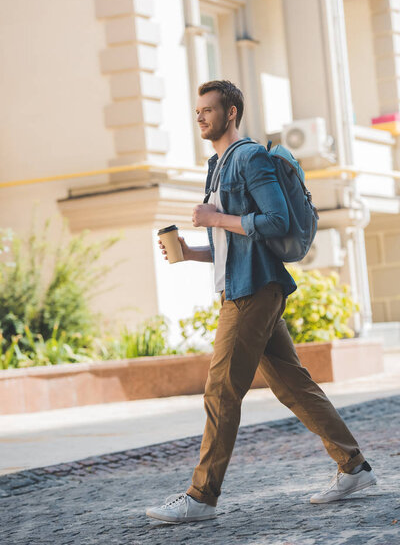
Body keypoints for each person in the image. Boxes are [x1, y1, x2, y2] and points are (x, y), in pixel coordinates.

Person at [146, 80, 377, 523]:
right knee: (293, 385)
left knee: (220, 389)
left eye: (208, 109)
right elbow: (237, 242)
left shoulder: (249, 157)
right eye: (197, 110)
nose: (200, 116)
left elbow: (276, 221)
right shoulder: (216, 165)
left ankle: (201, 497)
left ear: (231, 112)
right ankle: (355, 467)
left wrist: (215, 217)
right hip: (243, 284)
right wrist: (194, 251)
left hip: (254, 289)